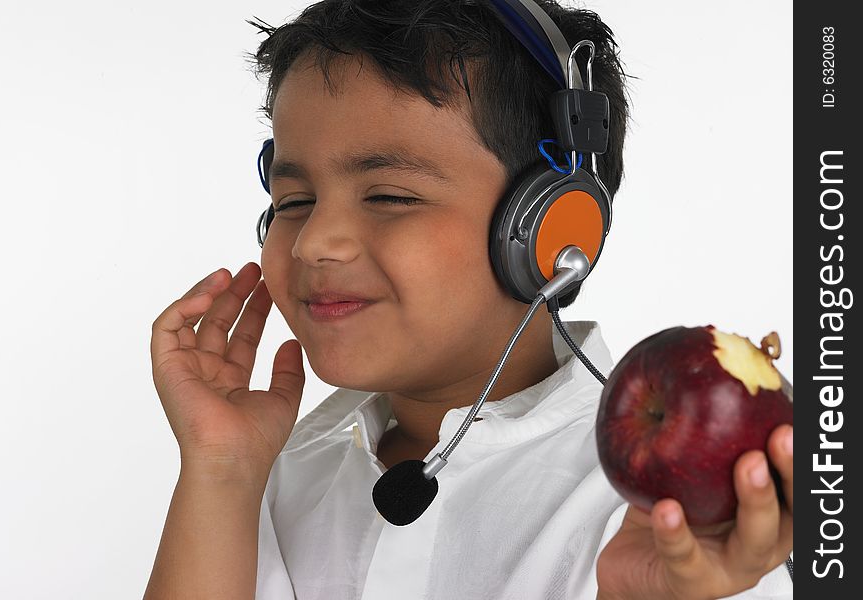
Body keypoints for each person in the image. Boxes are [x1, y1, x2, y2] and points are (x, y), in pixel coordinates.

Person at [143, 1, 794, 598]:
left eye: (389, 197)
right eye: (293, 202)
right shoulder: (269, 475)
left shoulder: (679, 521)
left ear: (549, 228)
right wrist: (220, 472)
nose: (315, 243)